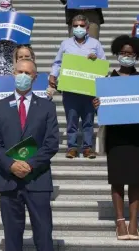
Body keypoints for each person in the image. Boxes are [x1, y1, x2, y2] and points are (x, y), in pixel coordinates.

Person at [0, 59, 59, 251]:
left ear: (35, 78)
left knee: (44, 234)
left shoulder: (47, 107)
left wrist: (30, 164)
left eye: (28, 73)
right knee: (12, 236)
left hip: (38, 178)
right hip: (8, 179)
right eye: (20, 72)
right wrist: (10, 164)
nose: (23, 76)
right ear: (13, 74)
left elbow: (52, 142)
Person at [92, 35, 139, 240]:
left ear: (136, 56)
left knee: (137, 181)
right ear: (117, 54)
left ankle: (134, 223)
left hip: (137, 137)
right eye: (123, 53)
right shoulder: (108, 80)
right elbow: (103, 109)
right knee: (118, 180)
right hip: (116, 137)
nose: (126, 56)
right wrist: (97, 105)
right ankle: (120, 222)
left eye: (130, 53)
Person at [49, 14, 105, 159]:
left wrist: (96, 59)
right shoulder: (66, 44)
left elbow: (103, 65)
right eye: (75, 26)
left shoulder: (95, 44)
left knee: (88, 120)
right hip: (70, 89)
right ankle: (72, 147)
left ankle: (87, 148)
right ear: (72, 27)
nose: (78, 28)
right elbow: (58, 63)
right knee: (71, 119)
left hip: (88, 89)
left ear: (87, 28)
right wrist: (53, 75)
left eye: (81, 26)